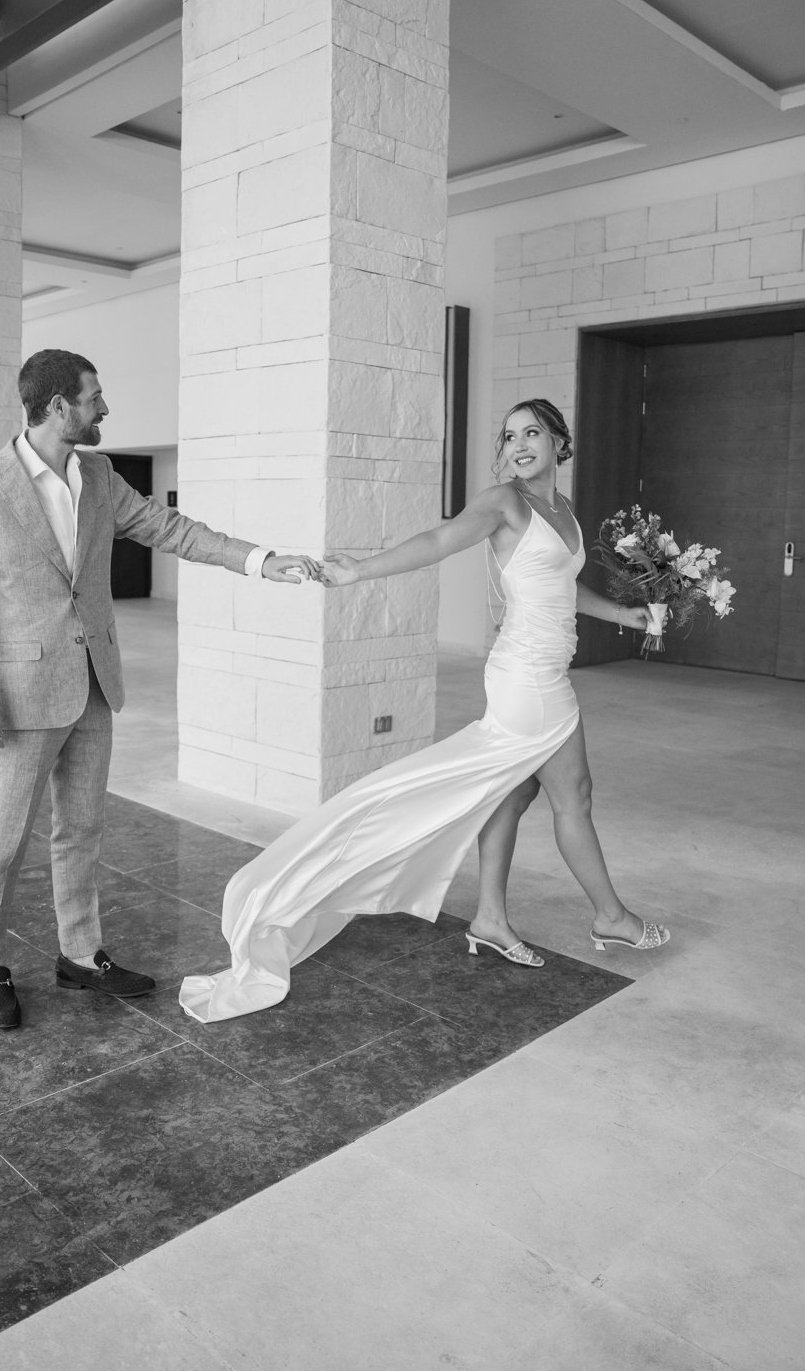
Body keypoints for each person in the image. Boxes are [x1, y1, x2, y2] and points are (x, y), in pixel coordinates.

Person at [179, 398, 668, 1024]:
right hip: (527, 682)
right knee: (575, 794)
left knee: (512, 796)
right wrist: (362, 570)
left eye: (533, 433)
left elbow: (560, 586)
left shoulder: (562, 511)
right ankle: (612, 918)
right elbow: (439, 541)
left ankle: (490, 918)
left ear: (559, 443)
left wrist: (626, 613)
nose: (519, 444)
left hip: (543, 670)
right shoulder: (504, 503)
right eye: (509, 435)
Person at [0, 348, 318, 1031]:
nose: (103, 408)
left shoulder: (101, 476)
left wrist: (259, 560)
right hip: (20, 696)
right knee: (6, 836)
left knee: (81, 829)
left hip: (93, 685)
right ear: (58, 407)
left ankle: (81, 955)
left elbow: (171, 529)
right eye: (93, 397)